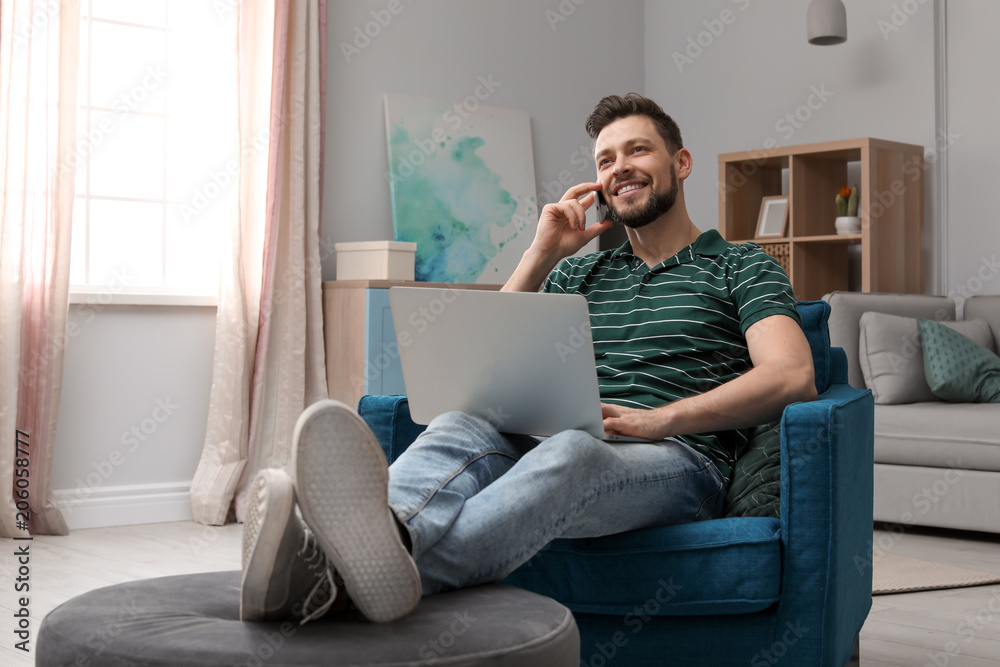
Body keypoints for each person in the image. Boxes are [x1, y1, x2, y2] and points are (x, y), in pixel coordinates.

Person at [238, 93, 818, 625]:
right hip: (562, 437)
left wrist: (660, 419)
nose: (620, 168)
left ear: (681, 163)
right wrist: (540, 254)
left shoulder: (741, 265)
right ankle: (370, 548)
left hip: (680, 462)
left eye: (638, 149)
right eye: (605, 159)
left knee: (574, 450)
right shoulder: (580, 269)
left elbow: (791, 376)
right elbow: (486, 360)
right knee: (462, 421)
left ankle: (327, 576)